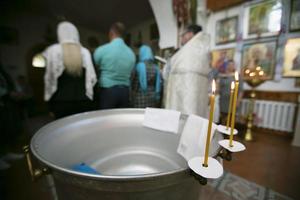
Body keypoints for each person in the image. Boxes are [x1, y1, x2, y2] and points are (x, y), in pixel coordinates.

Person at [43, 21, 97, 119]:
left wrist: (50, 107)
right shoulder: (85, 52)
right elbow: (92, 80)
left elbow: (49, 81)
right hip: (84, 102)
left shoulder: (53, 51)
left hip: (61, 102)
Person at [164, 24, 211, 117]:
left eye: (182, 35)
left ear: (189, 34)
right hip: (198, 103)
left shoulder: (188, 51)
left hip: (183, 102)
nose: (181, 38)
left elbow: (167, 72)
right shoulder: (203, 50)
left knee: (183, 121)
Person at [94, 22, 136, 109]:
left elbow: (96, 67)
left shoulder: (102, 50)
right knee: (121, 120)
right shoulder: (131, 53)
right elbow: (131, 71)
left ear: (111, 33)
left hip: (107, 90)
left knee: (106, 119)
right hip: (125, 91)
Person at [219, 60, 243, 124]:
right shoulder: (223, 76)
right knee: (223, 117)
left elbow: (241, 90)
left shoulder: (237, 76)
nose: (230, 66)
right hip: (223, 100)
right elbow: (219, 88)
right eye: (229, 65)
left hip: (233, 100)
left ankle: (230, 132)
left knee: (231, 118)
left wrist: (238, 101)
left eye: (232, 65)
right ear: (226, 66)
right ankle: (222, 132)